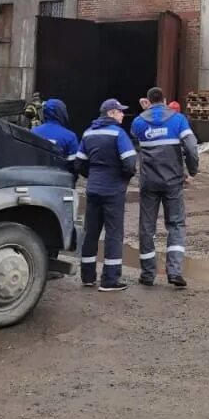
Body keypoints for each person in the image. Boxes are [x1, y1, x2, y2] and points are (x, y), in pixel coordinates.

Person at [130, 86, 199, 288]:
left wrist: (145, 112)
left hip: (149, 182)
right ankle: (175, 272)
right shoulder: (178, 120)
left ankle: (148, 274)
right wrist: (191, 171)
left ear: (149, 101)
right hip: (173, 181)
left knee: (146, 227)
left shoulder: (139, 121)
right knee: (176, 225)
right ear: (166, 99)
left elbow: (135, 142)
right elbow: (192, 147)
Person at [75, 99, 137, 290]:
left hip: (93, 189)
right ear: (110, 113)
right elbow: (130, 163)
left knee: (91, 233)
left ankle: (87, 276)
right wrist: (123, 179)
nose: (122, 115)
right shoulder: (118, 134)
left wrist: (93, 175)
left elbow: (79, 164)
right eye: (120, 112)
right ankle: (110, 280)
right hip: (113, 191)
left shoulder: (88, 133)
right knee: (113, 235)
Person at [31, 98, 79, 170]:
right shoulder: (70, 137)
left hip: (33, 177)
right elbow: (74, 166)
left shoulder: (33, 132)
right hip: (59, 178)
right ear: (61, 112)